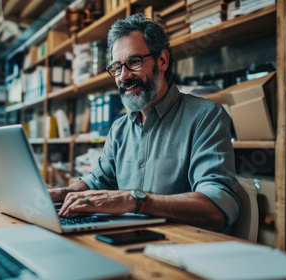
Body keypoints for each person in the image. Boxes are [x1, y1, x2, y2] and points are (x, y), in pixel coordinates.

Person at [49, 13, 240, 232]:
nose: (123, 76)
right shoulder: (119, 129)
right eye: (117, 67)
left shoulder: (205, 116)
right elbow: (96, 181)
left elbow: (218, 206)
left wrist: (135, 201)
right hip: (127, 241)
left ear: (163, 60)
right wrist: (63, 193)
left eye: (134, 62)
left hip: (182, 248)